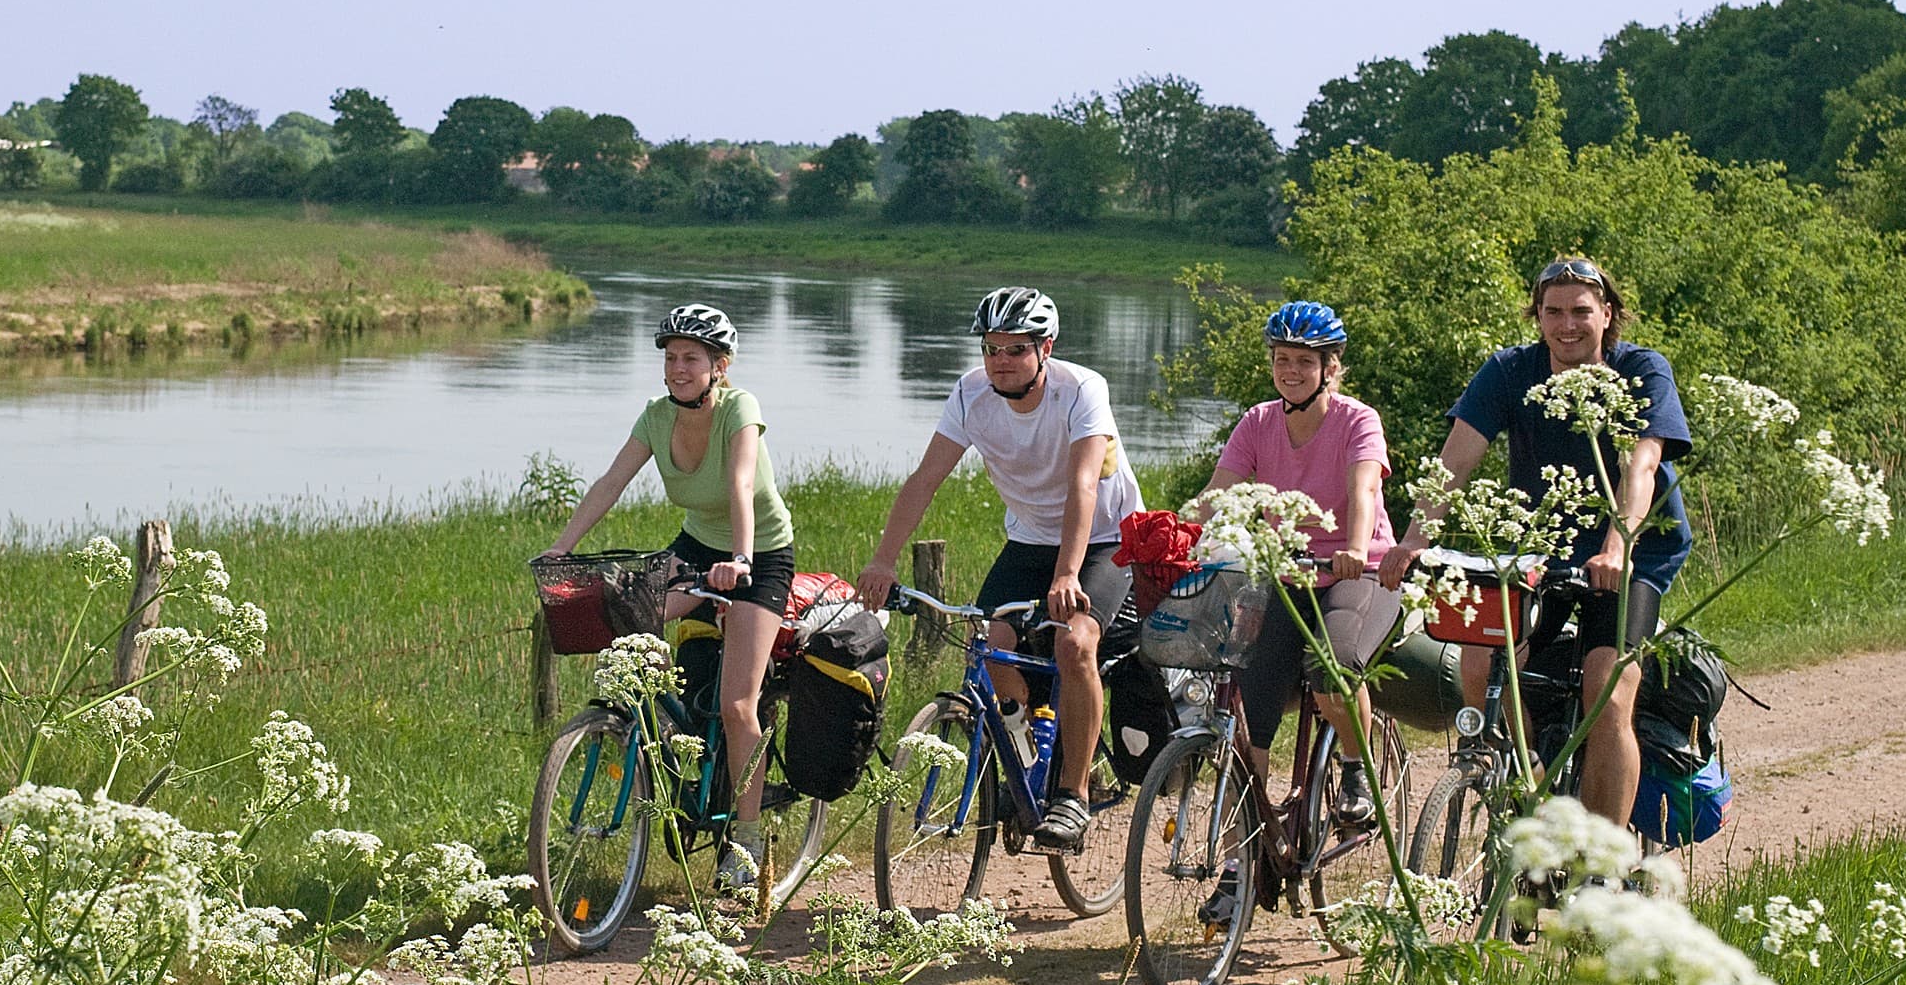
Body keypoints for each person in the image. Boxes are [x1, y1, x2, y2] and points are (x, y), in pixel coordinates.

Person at [1379, 257, 1692, 829]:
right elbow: (1457, 458)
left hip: (1631, 552)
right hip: (1539, 546)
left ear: (1607, 314)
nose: (1567, 325)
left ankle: (1603, 857)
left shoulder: (1642, 370)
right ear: (1538, 317)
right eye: (1553, 312)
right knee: (1481, 665)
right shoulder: (1510, 372)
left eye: (1581, 312)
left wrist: (1617, 545)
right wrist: (1413, 540)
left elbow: (1642, 464)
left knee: (1608, 692)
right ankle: (1534, 795)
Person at [856, 287, 1144, 852]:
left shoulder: (1081, 389)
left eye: (1016, 349)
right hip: (1029, 540)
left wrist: (1068, 574)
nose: (1001, 361)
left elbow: (1083, 486)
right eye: (991, 348)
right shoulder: (970, 395)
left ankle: (1074, 795)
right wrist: (883, 560)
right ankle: (1026, 748)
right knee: (989, 648)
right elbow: (924, 480)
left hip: (1104, 538)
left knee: (1074, 643)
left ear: (1045, 348)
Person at [545, 303, 795, 891]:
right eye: (671, 358)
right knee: (630, 618)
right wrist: (562, 549)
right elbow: (611, 482)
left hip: (759, 555)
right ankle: (666, 738)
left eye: (692, 359)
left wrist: (740, 559)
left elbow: (739, 485)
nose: (678, 368)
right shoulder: (656, 417)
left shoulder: (740, 409)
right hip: (696, 546)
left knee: (738, 705)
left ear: (719, 366)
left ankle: (747, 841)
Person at [1196, 301, 1401, 831]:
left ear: (1330, 367)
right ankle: (1244, 843)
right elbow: (1217, 493)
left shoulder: (1358, 420)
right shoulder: (1258, 422)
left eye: (1304, 361)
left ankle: (1356, 770)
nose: (1290, 371)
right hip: (1287, 575)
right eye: (1281, 359)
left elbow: (1364, 488)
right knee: (1250, 697)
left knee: (1335, 668)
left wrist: (1354, 547)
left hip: (1358, 572)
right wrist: (1172, 533)